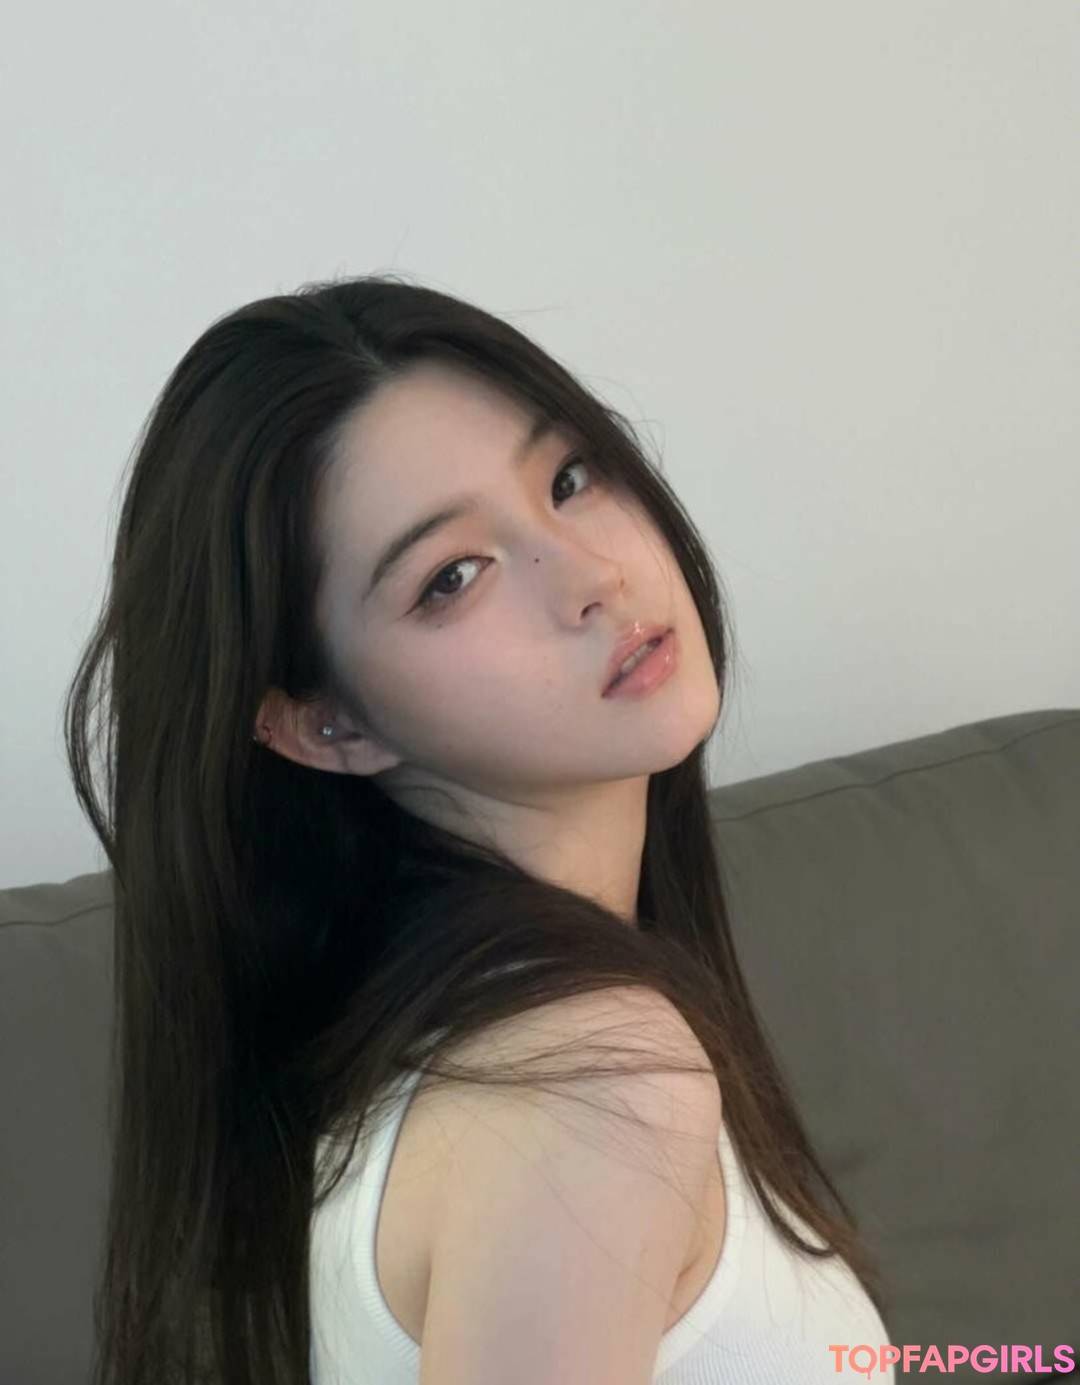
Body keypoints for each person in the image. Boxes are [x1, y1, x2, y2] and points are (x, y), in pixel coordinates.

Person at [65, 273, 894, 1384]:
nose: (592, 576)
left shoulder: (424, 1042)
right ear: (327, 722)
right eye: (452, 576)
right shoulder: (589, 1087)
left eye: (570, 477)